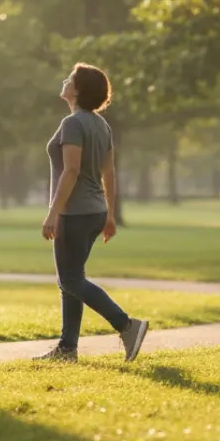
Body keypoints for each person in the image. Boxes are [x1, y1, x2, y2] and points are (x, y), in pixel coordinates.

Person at [36, 62, 149, 363]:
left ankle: (127, 325)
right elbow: (109, 173)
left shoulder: (73, 123)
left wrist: (52, 213)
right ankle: (67, 348)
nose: (65, 80)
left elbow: (71, 171)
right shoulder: (102, 125)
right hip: (95, 211)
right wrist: (109, 214)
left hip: (74, 214)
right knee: (72, 279)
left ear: (78, 90)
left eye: (70, 78)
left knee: (70, 280)